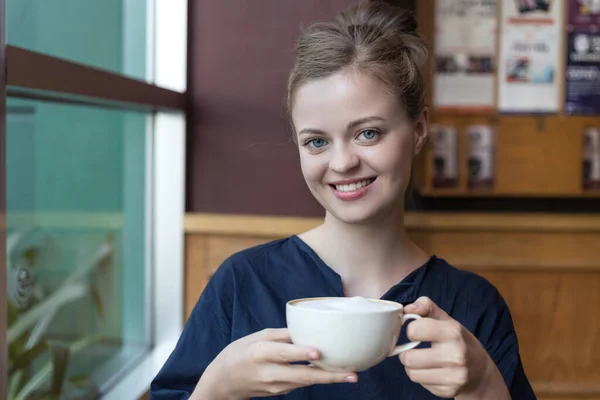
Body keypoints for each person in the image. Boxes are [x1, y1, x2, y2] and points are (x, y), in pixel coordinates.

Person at [150, 1, 536, 399]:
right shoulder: (242, 283)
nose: (343, 162)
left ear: (419, 129)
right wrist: (217, 387)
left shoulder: (473, 305)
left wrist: (484, 383)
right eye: (317, 142)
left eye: (368, 133)